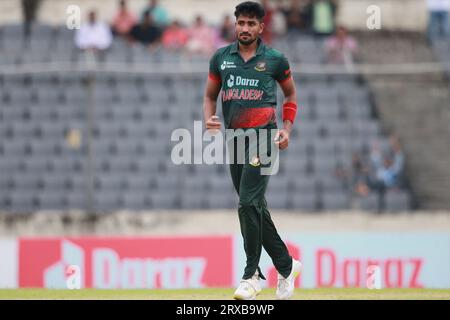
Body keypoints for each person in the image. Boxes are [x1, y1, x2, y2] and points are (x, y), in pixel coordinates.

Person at [203, 1, 301, 300]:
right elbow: (210, 95)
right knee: (255, 206)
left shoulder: (274, 59)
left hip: (264, 138)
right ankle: (287, 266)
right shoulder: (221, 57)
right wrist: (209, 117)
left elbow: (291, 94)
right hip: (234, 139)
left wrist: (286, 129)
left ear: (261, 26)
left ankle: (252, 275)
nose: (245, 28)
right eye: (240, 23)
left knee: (247, 203)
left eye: (250, 23)